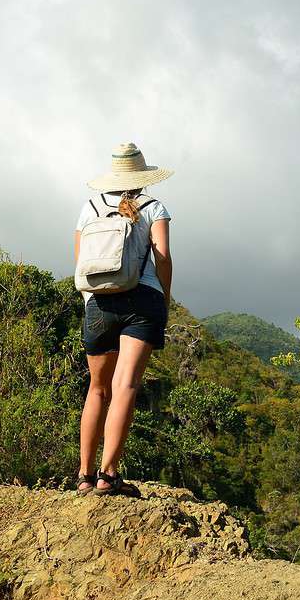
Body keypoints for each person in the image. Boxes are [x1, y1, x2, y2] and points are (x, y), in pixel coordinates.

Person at [74, 142, 173, 494]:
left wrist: (91, 301)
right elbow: (162, 256)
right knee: (125, 385)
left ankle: (85, 476)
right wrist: (165, 296)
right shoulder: (153, 207)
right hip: (142, 300)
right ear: (143, 177)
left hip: (99, 302)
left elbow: (80, 264)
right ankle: (108, 475)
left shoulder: (90, 208)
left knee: (97, 389)